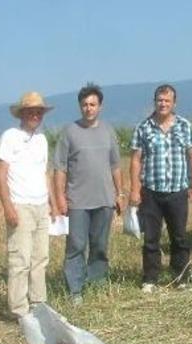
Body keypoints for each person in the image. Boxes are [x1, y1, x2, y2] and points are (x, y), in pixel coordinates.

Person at [53, 83, 125, 305]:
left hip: (104, 199)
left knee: (100, 246)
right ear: (80, 106)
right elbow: (60, 168)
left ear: (100, 106)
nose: (88, 108)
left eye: (93, 104)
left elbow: (115, 166)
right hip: (77, 202)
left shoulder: (108, 131)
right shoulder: (69, 132)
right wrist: (60, 198)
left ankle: (97, 284)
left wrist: (120, 193)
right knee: (76, 246)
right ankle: (76, 290)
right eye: (84, 104)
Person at [129, 84, 192, 293]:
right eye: (160, 100)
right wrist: (134, 189)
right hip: (151, 191)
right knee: (151, 238)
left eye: (167, 101)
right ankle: (150, 278)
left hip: (178, 191)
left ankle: (181, 277)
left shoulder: (185, 126)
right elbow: (135, 160)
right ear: (155, 102)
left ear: (174, 103)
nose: (163, 104)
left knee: (179, 236)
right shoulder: (143, 127)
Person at [0, 91, 56, 320]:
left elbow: (44, 173)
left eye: (39, 111)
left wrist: (53, 203)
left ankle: (39, 304)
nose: (35, 115)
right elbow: (0, 174)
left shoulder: (42, 139)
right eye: (31, 111)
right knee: (20, 259)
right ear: (22, 113)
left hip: (40, 206)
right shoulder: (10, 136)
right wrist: (7, 206)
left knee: (41, 258)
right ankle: (19, 310)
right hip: (20, 205)